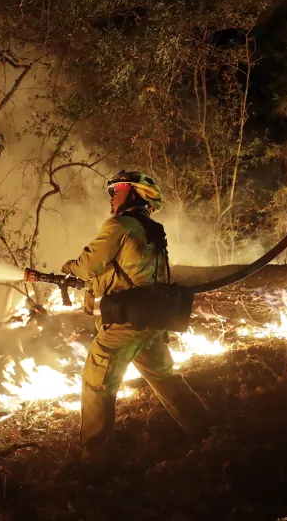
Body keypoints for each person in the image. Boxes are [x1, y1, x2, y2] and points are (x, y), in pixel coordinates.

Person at [62, 170, 209, 472]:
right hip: (151, 319)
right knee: (165, 376)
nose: (111, 197)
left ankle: (97, 464)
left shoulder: (119, 225)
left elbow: (89, 264)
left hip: (127, 322)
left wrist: (70, 268)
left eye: (117, 190)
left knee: (97, 383)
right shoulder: (151, 229)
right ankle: (207, 432)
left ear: (132, 194)